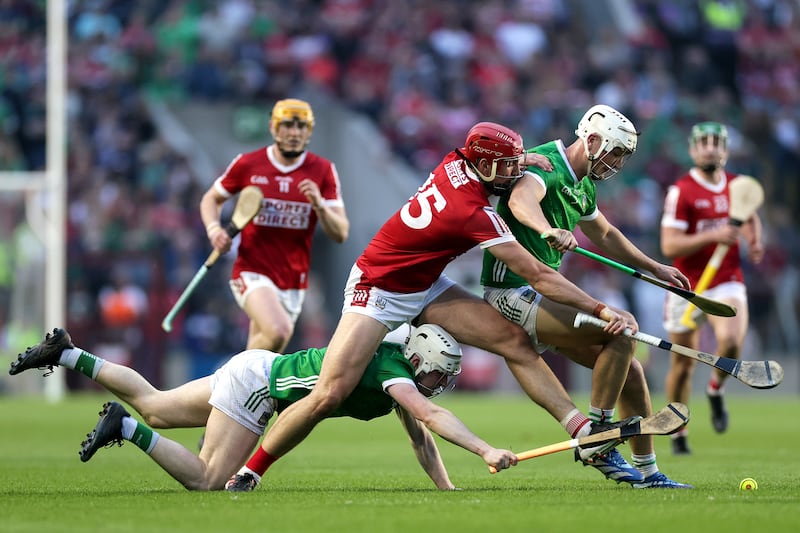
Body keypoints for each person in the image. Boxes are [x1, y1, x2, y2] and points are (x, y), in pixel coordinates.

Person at [230, 121, 644, 492]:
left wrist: (526, 156)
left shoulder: (456, 159)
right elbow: (539, 276)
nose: (516, 174)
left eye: (517, 165)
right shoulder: (471, 213)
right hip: (379, 288)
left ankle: (583, 430)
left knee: (513, 340)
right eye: (508, 168)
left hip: (424, 283)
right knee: (329, 394)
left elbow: (488, 156)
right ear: (484, 168)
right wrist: (603, 309)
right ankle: (251, 471)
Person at [8, 324, 519, 491]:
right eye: (437, 373)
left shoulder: (397, 368)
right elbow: (431, 418)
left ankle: (68, 352)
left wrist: (449, 492)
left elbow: (420, 436)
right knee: (208, 481)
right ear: (417, 358)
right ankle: (124, 427)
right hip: (259, 387)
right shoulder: (392, 370)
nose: (439, 384)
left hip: (256, 367)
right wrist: (484, 448)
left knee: (158, 407)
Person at [480, 104, 692, 489]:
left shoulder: (585, 184)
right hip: (510, 292)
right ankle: (599, 433)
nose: (618, 164)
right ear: (592, 140)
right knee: (621, 331)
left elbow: (606, 235)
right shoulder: (546, 163)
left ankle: (648, 473)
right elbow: (519, 202)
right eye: (614, 152)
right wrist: (547, 230)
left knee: (631, 370)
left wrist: (654, 268)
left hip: (542, 292)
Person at [199, 98, 349, 352]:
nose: (294, 132)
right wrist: (214, 230)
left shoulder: (323, 171)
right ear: (273, 127)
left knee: (259, 357)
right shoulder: (248, 164)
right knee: (279, 331)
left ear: (309, 131)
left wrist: (320, 205)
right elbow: (211, 199)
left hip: (293, 282)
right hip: (252, 271)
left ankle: (227, 389)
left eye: (301, 126)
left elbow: (341, 232)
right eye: (287, 125)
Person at [660, 121, 764, 455]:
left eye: (716, 142)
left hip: (726, 279)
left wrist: (754, 239)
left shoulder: (737, 185)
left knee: (731, 343)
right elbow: (669, 246)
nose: (709, 147)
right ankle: (678, 430)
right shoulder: (681, 191)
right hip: (687, 286)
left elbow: (748, 214)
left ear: (726, 149)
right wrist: (713, 236)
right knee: (683, 363)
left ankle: (716, 389)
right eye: (703, 142)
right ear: (692, 149)